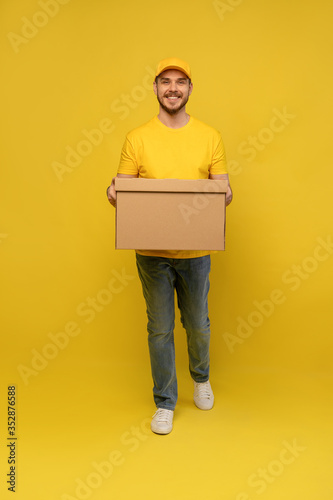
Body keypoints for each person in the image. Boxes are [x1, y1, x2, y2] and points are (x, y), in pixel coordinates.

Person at [107, 57, 233, 435]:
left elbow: (223, 189)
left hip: (196, 254)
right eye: (166, 81)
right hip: (151, 253)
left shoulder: (210, 136)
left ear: (190, 89)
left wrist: (225, 194)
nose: (173, 88)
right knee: (159, 329)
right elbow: (121, 188)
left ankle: (201, 377)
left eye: (181, 82)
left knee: (197, 324)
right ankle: (164, 402)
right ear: (156, 87)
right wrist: (112, 192)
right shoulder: (137, 137)